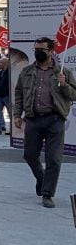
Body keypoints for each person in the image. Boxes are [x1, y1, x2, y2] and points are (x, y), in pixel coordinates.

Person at [13, 37, 76, 208]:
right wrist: (17, 114)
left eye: (42, 49)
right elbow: (18, 94)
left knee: (53, 159)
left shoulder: (63, 72)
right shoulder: (27, 72)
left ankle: (47, 194)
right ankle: (41, 178)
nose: (38, 52)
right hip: (33, 119)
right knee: (30, 155)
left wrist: (64, 85)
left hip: (55, 119)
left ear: (51, 52)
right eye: (36, 48)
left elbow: (74, 94)